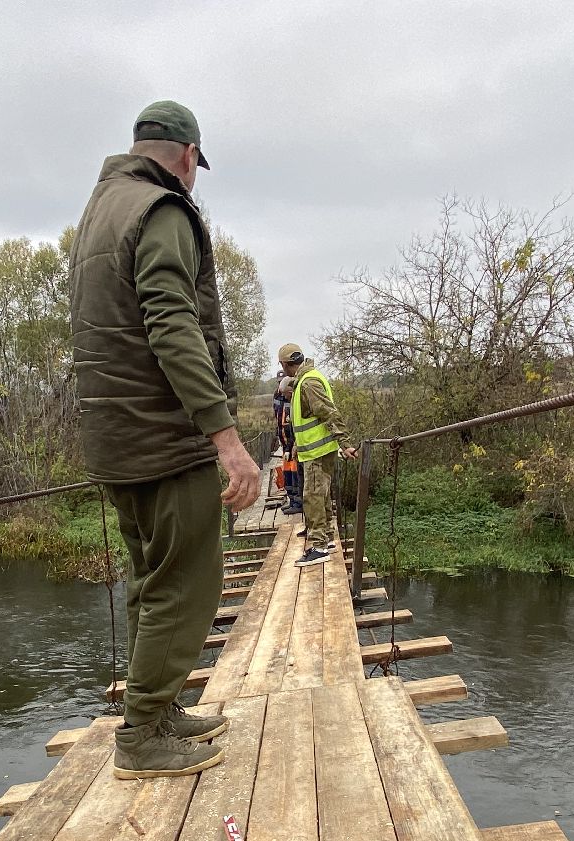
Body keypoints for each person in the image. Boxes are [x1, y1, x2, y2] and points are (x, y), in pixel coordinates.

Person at [71, 100, 261, 779]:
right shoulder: (162, 210)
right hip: (162, 437)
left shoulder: (101, 210)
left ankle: (161, 708)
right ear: (187, 155)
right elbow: (173, 326)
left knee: (154, 582)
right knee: (188, 586)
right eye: (196, 165)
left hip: (117, 439)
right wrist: (226, 438)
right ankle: (143, 736)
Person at [277, 344, 357, 566]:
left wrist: (345, 443)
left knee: (312, 496)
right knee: (320, 495)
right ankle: (327, 537)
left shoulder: (308, 382)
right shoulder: (305, 380)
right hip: (313, 449)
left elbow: (329, 413)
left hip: (317, 452)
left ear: (284, 365)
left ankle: (319, 547)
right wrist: (296, 445)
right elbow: (307, 419)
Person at [277, 375, 304, 514]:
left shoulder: (295, 401)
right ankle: (292, 500)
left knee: (295, 476)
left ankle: (298, 503)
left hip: (294, 444)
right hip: (286, 443)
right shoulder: (279, 398)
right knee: (288, 474)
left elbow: (293, 427)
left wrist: (290, 446)